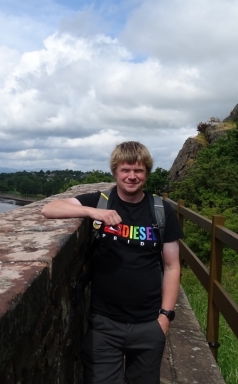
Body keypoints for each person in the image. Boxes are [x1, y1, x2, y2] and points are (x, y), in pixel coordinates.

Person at [41, 141, 183, 384]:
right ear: (115, 171)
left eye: (138, 170)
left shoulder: (161, 210)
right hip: (105, 324)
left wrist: (164, 318)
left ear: (146, 173)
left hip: (149, 323)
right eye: (125, 170)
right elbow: (49, 208)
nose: (131, 176)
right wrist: (92, 212)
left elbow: (172, 266)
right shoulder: (101, 201)